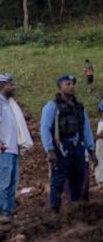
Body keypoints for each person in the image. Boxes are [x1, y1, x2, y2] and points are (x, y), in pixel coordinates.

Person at [40, 74, 95, 213]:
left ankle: (74, 209)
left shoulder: (79, 107)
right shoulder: (52, 106)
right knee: (57, 182)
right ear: (60, 87)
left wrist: (91, 150)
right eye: (67, 84)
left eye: (72, 84)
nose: (71, 87)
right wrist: (50, 150)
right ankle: (55, 211)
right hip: (61, 148)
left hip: (78, 148)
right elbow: (45, 129)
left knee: (78, 180)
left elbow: (86, 128)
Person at [0, 74, 31, 223]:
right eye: (10, 84)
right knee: (5, 181)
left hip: (12, 149)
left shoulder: (8, 104)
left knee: (13, 182)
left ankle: (8, 213)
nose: (13, 87)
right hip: (3, 149)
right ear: (1, 86)